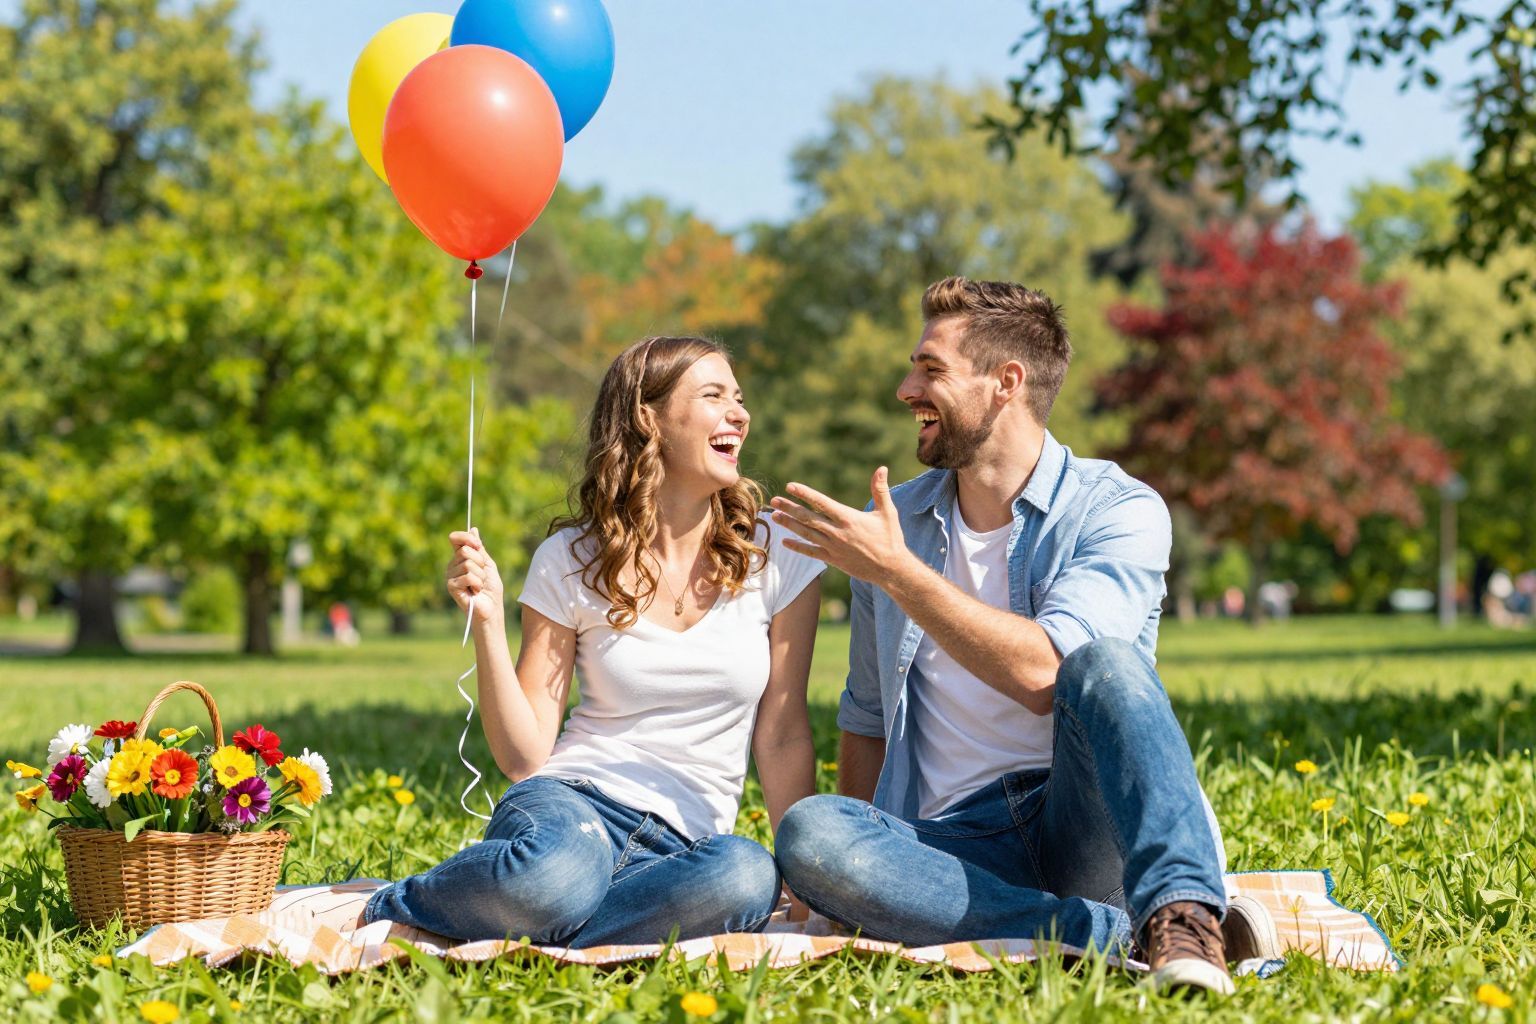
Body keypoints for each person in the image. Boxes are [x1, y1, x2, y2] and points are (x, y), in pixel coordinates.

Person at [768, 277, 1276, 995]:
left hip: (1085, 823)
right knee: (810, 834)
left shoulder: (1117, 507)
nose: (906, 388)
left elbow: (1047, 673)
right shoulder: (897, 523)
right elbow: (868, 719)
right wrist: (851, 882)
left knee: (1105, 663)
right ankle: (1115, 934)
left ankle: (1184, 916)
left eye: (930, 368)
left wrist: (897, 573)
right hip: (956, 850)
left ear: (1006, 382)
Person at [297, 336, 824, 945]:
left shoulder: (776, 552)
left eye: (739, 398)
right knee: (554, 876)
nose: (740, 413)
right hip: (572, 808)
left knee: (746, 877)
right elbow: (524, 756)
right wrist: (489, 622)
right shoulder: (571, 558)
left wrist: (804, 887)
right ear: (647, 417)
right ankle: (400, 901)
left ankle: (537, 917)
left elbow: (783, 734)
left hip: (685, 846)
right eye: (714, 396)